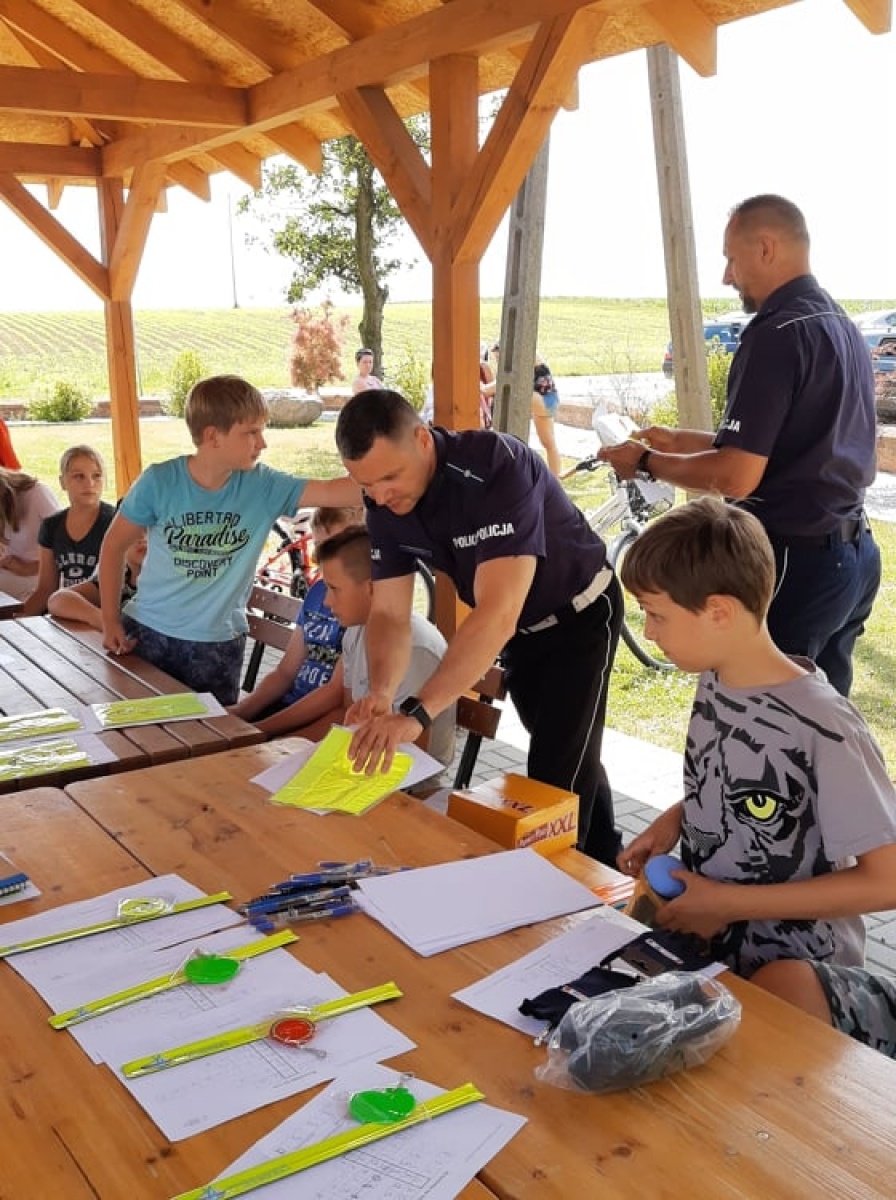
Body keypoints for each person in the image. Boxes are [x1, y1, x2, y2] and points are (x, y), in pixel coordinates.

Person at [599, 194, 880, 698]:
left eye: (731, 258)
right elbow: (788, 450)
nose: (728, 276)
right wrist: (679, 441)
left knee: (766, 719)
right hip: (852, 558)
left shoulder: (775, 334)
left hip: (793, 560)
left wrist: (644, 461)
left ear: (766, 248)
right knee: (823, 721)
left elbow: (736, 476)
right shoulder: (841, 325)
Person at [334, 387, 624, 865]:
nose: (382, 496)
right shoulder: (383, 505)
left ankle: (567, 905)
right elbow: (387, 613)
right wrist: (382, 694)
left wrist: (416, 713)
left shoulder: (495, 467)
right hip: (522, 634)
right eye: (366, 485)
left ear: (423, 440)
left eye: (390, 476)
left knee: (553, 780)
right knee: (571, 752)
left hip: (579, 614)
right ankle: (611, 866)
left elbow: (496, 613)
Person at [615, 497, 896, 988]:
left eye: (656, 615)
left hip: (801, 980)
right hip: (716, 955)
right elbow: (738, 778)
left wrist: (729, 904)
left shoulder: (826, 726)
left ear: (718, 611)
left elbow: (886, 879)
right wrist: (676, 817)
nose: (649, 633)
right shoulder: (717, 679)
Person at [98, 375, 360, 706]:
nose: (262, 443)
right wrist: (109, 620)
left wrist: (397, 473)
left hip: (218, 645)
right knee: (138, 740)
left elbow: (334, 491)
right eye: (251, 432)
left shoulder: (263, 486)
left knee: (211, 747)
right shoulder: (160, 481)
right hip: (149, 634)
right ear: (212, 436)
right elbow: (113, 546)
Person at [230, 505, 363, 736]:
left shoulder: (359, 610)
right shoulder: (317, 593)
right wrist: (241, 712)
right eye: (320, 547)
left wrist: (262, 731)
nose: (324, 559)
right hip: (290, 705)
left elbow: (336, 696)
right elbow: (285, 672)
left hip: (321, 718)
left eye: (336, 547)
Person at [22, 445, 115, 616]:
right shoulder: (51, 526)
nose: (89, 483)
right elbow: (45, 589)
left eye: (97, 476)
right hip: (65, 611)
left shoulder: (115, 522)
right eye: (79, 476)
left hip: (103, 615)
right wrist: (18, 623)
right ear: (62, 482)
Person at [48, 530, 148, 630]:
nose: (144, 539)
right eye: (137, 533)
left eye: (153, 534)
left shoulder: (161, 586)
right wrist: (104, 621)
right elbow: (57, 600)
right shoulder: (119, 578)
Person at [0, 468, 59, 601]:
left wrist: (28, 568)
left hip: (39, 576)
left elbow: (66, 546)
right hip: (10, 571)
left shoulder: (37, 494)